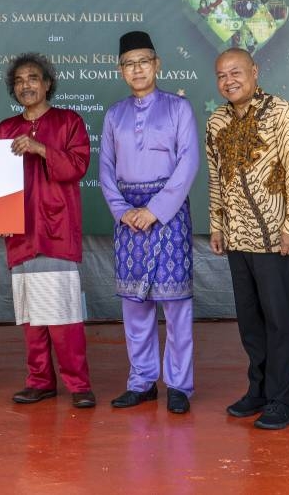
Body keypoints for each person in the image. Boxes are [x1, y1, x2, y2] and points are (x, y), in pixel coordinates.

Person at [206, 48, 289, 430]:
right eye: (221, 75)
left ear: (255, 71)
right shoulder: (217, 120)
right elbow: (216, 176)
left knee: (280, 322)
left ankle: (285, 401)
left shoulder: (284, 113)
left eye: (236, 72)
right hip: (237, 238)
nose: (228, 81)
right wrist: (217, 223)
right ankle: (260, 390)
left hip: (274, 238)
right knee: (251, 323)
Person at [100, 31, 199, 414]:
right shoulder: (114, 114)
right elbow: (106, 168)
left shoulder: (178, 109)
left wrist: (155, 210)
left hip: (168, 217)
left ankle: (178, 385)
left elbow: (187, 163)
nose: (137, 69)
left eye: (144, 61)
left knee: (175, 306)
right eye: (129, 63)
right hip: (127, 217)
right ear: (120, 70)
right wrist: (122, 210)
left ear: (157, 65)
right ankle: (142, 382)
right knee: (134, 305)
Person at [0, 53, 96, 409]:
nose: (26, 85)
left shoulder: (69, 122)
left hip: (56, 231)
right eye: (19, 81)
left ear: (47, 83)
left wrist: (39, 148)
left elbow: (78, 166)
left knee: (64, 316)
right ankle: (40, 381)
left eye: (33, 78)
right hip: (20, 235)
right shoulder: (4, 129)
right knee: (31, 316)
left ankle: (79, 384)